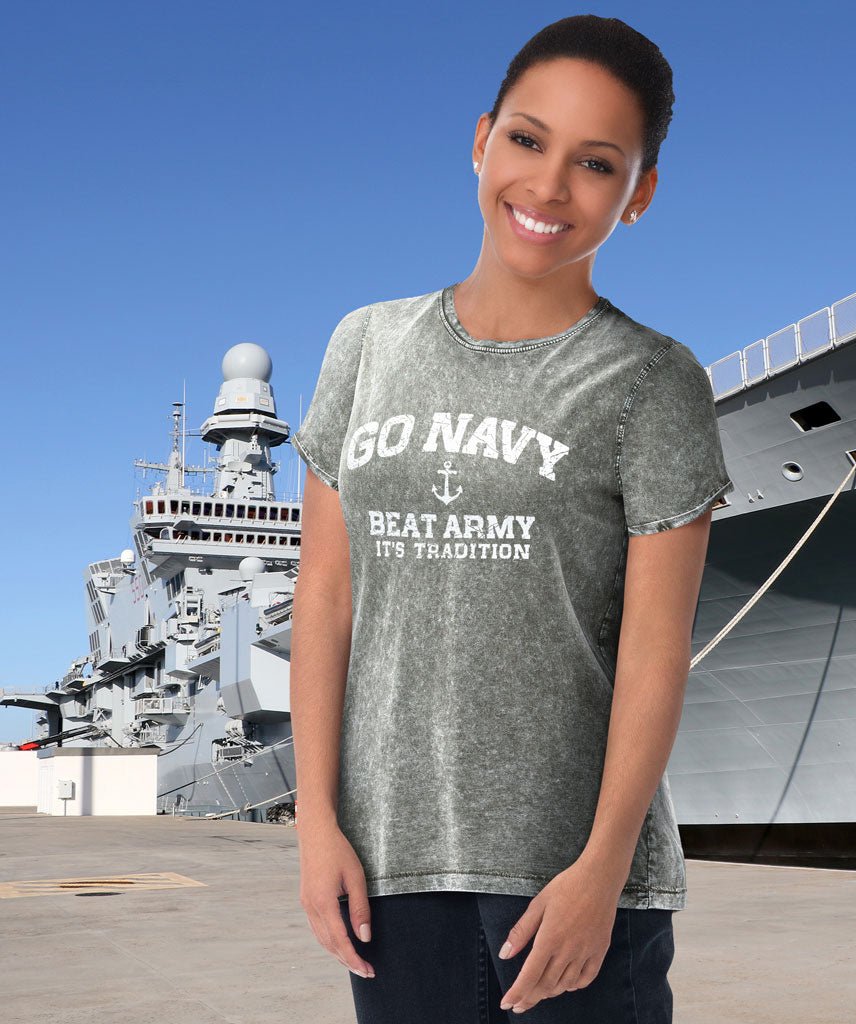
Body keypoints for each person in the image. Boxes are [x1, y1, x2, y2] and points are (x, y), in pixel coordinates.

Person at [288, 14, 734, 1023]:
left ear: (639, 195)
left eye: (595, 162)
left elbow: (656, 651)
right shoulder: (364, 346)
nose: (545, 188)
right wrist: (316, 824)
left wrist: (602, 874)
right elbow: (326, 593)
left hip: (570, 885)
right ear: (481, 137)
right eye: (528, 141)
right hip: (390, 882)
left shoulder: (651, 382)